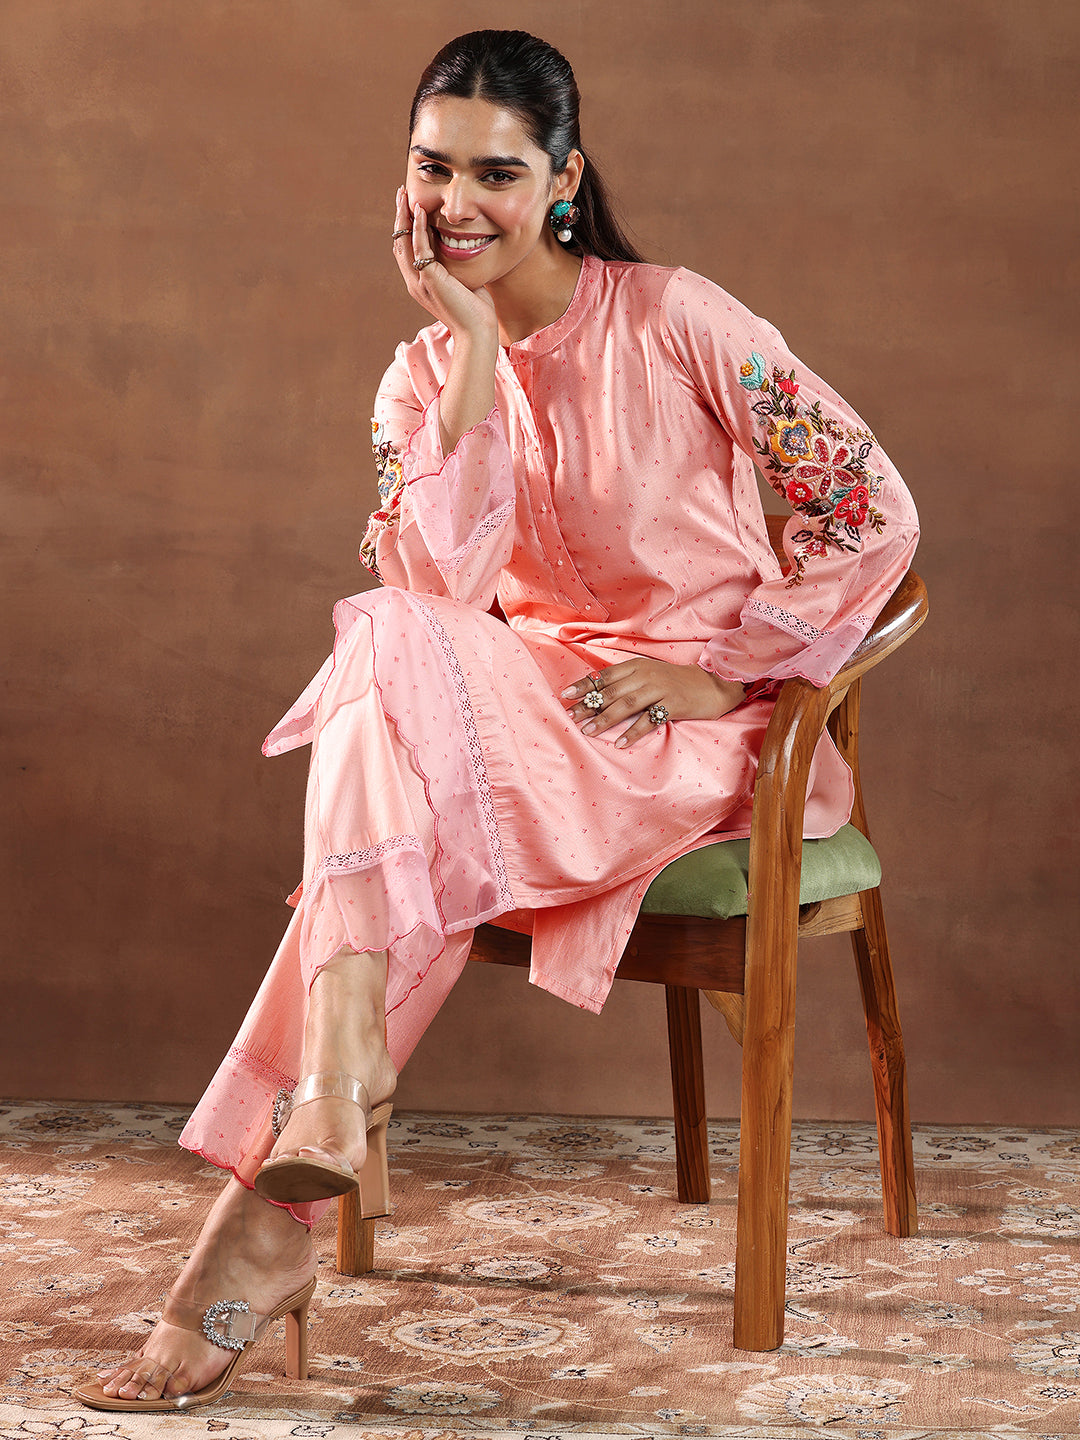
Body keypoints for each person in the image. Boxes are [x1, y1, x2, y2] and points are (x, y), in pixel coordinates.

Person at [75, 28, 918, 1411]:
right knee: (388, 651)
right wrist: (472, 351)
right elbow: (432, 600)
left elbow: (867, 504)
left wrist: (726, 676)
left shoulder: (680, 319)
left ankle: (290, 1172)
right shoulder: (418, 378)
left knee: (394, 752)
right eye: (430, 168)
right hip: (525, 723)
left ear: (564, 179)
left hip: (691, 744)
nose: (453, 204)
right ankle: (325, 1101)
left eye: (495, 173)